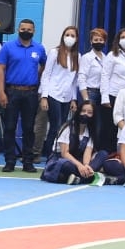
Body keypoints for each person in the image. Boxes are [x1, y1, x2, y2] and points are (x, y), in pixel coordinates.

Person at [0, 18, 47, 173]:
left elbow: (44, 65)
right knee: (10, 127)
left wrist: (37, 78)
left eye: (29, 30)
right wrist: (1, 92)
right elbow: (0, 69)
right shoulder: (8, 47)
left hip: (31, 93)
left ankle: (28, 161)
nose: (26, 32)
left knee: (29, 128)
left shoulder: (39, 48)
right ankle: (10, 161)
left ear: (34, 31)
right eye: (23, 29)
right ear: (18, 30)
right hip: (11, 91)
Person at [41, 101, 106, 186]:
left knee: (103, 154)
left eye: (89, 112)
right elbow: (65, 153)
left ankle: (81, 177)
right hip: (62, 159)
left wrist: (86, 165)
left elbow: (87, 153)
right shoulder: (67, 128)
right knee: (66, 165)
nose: (85, 114)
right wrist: (80, 166)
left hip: (78, 160)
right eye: (83, 111)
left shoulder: (90, 132)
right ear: (78, 112)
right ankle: (88, 177)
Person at [39, 25, 80, 159]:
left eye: (72, 36)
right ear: (63, 37)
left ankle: (59, 153)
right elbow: (46, 75)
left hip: (66, 97)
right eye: (67, 35)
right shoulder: (54, 53)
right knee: (55, 125)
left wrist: (74, 99)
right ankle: (50, 155)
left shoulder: (77, 56)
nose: (69, 38)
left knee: (63, 127)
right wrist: (44, 96)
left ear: (76, 39)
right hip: (53, 94)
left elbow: (74, 81)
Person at [100, 27, 125, 153]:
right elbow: (105, 76)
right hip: (113, 95)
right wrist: (105, 97)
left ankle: (122, 152)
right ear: (118, 40)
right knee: (110, 127)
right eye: (123, 37)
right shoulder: (112, 55)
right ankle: (106, 154)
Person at [77, 27, 108, 148]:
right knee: (86, 122)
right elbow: (82, 78)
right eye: (96, 40)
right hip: (90, 93)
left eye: (101, 40)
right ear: (91, 41)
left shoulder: (106, 58)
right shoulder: (87, 58)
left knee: (99, 124)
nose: (98, 42)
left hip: (103, 95)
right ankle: (82, 147)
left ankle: (94, 149)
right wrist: (86, 99)